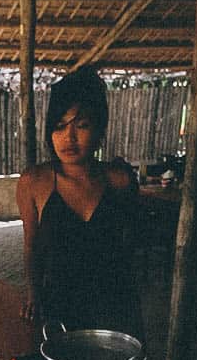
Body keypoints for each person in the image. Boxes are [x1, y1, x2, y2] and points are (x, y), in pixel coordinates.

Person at [18, 65, 144, 339]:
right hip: (59, 304)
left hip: (114, 304)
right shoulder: (34, 182)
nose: (69, 138)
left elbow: (131, 245)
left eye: (82, 126)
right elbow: (32, 246)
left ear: (99, 130)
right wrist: (33, 294)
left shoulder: (118, 180)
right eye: (60, 126)